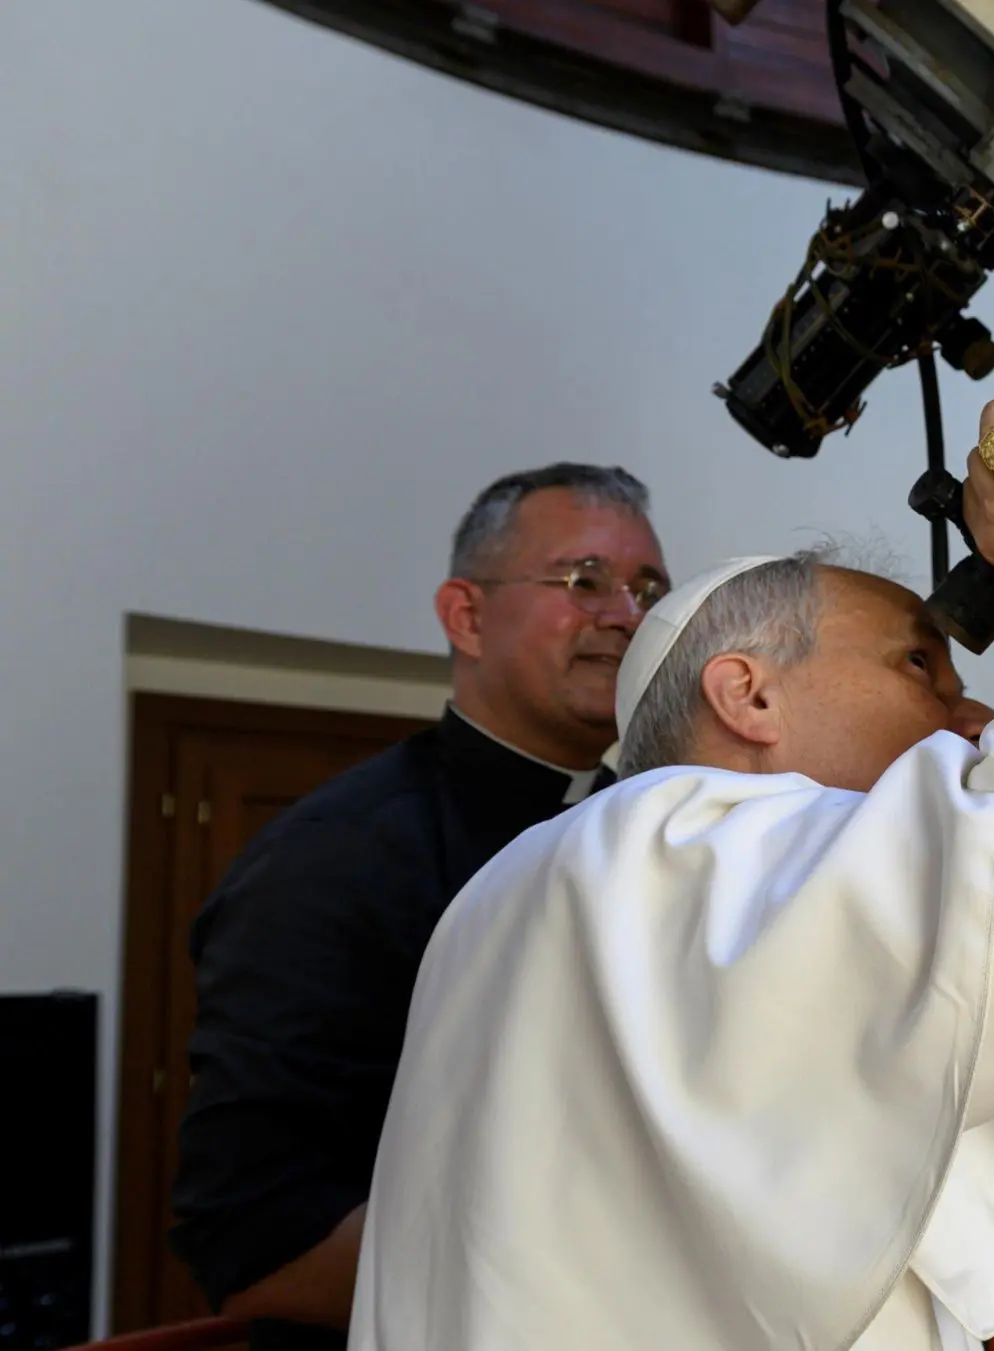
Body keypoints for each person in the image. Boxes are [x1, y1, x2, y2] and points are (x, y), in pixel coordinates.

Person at [348, 371, 994, 1351]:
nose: (975, 717)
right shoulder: (661, 851)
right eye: (918, 668)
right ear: (746, 694)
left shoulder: (595, 886)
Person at [169, 464, 671, 1351]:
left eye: (647, 588)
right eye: (583, 579)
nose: (624, 615)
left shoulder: (666, 826)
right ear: (466, 616)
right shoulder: (331, 859)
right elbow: (255, 1238)